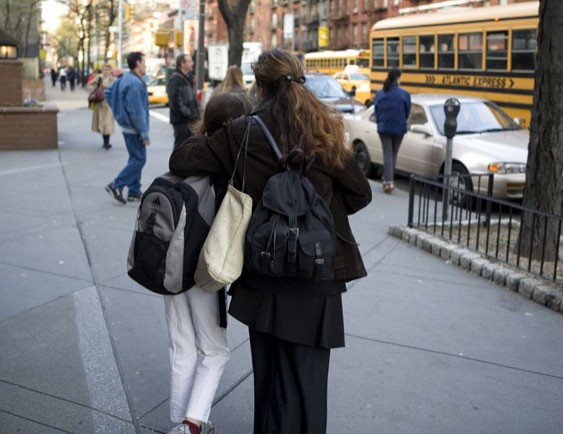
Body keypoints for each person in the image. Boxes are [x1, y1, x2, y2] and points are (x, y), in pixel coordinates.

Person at [169, 48, 372, 434]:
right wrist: (316, 210)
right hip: (317, 275)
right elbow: (361, 194)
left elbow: (182, 160)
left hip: (264, 270)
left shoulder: (244, 132)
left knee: (270, 381)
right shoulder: (325, 129)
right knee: (308, 386)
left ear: (259, 85)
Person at [164, 92, 253, 434]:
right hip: (203, 269)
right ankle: (191, 424)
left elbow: (177, 161)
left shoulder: (190, 152)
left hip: (170, 264)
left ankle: (181, 422)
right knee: (215, 352)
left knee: (182, 345)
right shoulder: (230, 164)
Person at [104, 52, 150, 204]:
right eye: (144, 62)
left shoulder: (124, 78)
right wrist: (144, 134)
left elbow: (108, 93)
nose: (145, 65)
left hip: (127, 126)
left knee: (134, 158)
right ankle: (116, 185)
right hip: (134, 128)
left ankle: (134, 191)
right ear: (137, 63)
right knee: (139, 159)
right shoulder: (135, 83)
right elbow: (137, 113)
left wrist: (119, 112)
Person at [373, 67, 411, 193]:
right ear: (398, 78)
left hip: (384, 127)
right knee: (393, 154)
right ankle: (389, 180)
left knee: (387, 154)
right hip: (399, 128)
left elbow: (376, 110)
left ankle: (388, 180)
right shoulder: (404, 94)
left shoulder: (380, 93)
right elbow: (407, 112)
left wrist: (381, 121)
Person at [167, 54, 200, 150]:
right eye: (189, 61)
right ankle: (175, 164)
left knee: (188, 147)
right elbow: (175, 103)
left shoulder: (188, 78)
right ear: (182, 64)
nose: (192, 64)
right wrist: (189, 114)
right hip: (182, 121)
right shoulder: (175, 79)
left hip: (189, 120)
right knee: (180, 148)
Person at [89, 64, 116, 150]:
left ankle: (107, 142)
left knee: (107, 123)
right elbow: (90, 84)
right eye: (104, 69)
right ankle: (105, 141)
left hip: (108, 104)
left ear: (111, 71)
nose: (105, 71)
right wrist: (95, 87)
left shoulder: (114, 80)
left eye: (107, 69)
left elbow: (116, 90)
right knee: (101, 123)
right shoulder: (99, 78)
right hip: (99, 103)